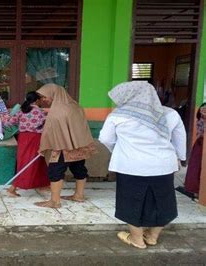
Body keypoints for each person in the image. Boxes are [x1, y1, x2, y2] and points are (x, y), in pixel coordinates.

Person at [99, 81, 186, 249]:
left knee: (131, 200)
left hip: (131, 165)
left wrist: (119, 150)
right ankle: (153, 236)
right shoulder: (170, 114)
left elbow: (106, 139)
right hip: (163, 166)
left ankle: (137, 239)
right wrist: (180, 157)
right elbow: (180, 139)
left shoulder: (118, 115)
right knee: (163, 200)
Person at [34, 84, 97, 208]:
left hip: (61, 146)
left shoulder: (58, 110)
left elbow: (51, 131)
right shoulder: (75, 106)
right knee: (79, 168)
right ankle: (79, 195)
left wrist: (44, 146)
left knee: (55, 171)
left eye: (45, 97)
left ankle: (55, 201)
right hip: (79, 144)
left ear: (54, 94)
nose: (44, 100)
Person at [4, 91, 49, 196]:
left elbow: (10, 122)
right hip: (35, 138)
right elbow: (47, 124)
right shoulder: (39, 112)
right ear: (37, 100)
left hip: (23, 138)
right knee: (31, 162)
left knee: (33, 161)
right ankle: (13, 188)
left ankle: (43, 184)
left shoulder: (21, 110)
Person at [183, 103, 206, 198]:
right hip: (200, 145)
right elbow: (201, 134)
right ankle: (196, 191)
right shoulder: (200, 121)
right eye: (202, 110)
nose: (204, 111)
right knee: (196, 167)